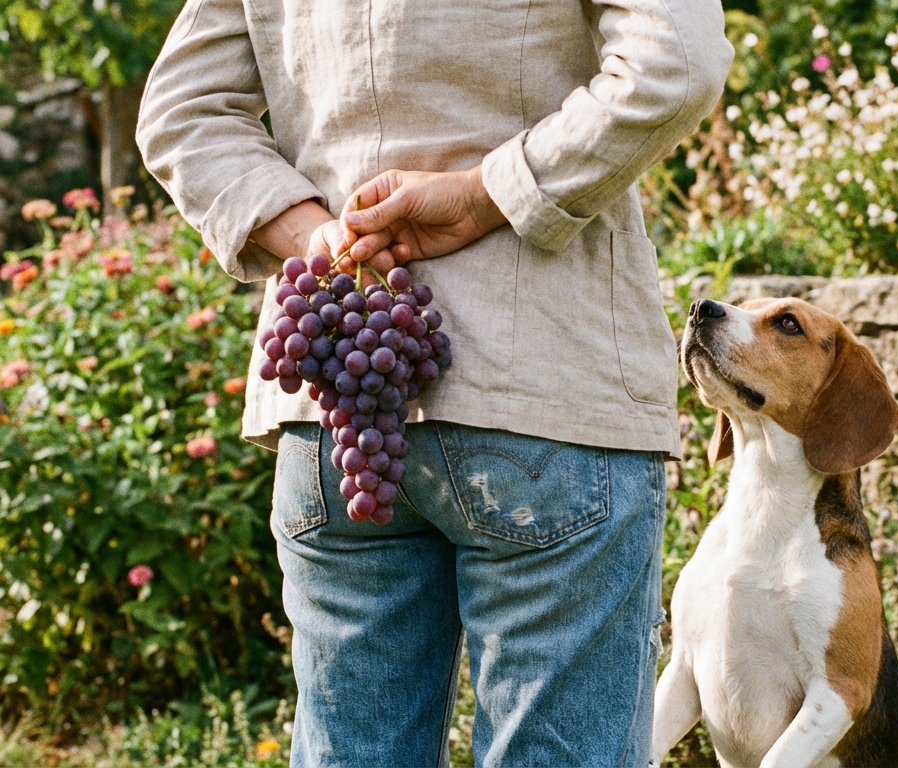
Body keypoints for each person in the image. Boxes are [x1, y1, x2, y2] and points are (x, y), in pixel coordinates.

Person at [136, 0, 732, 762]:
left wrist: (320, 238)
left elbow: (182, 112)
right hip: (543, 386)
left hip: (336, 408)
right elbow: (675, 64)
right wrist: (487, 194)